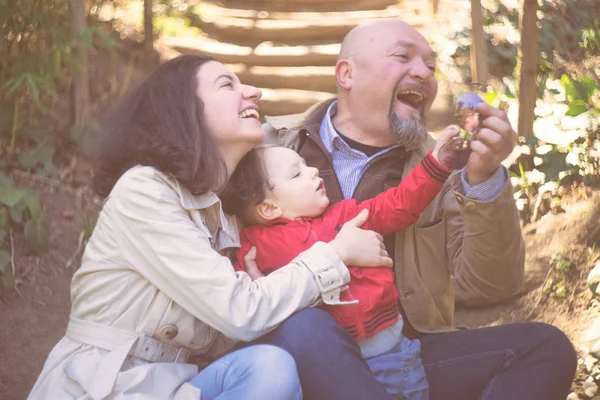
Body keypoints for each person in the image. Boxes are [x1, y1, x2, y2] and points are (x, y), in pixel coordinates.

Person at [27, 54, 396, 400]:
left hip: (179, 385)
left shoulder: (227, 214)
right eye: (227, 85)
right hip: (107, 386)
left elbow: (234, 324)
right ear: (184, 111)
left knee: (274, 361)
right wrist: (336, 252)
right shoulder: (145, 191)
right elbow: (241, 313)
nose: (253, 92)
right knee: (280, 353)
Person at [262, 19, 578, 399]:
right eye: (403, 57)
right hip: (297, 353)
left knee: (545, 348)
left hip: (400, 352)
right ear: (347, 73)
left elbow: (491, 286)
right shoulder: (267, 147)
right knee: (305, 325)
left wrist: (483, 178)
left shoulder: (441, 168)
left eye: (431, 65)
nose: (424, 73)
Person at [221, 126, 455, 400]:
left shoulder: (347, 214)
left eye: (306, 165)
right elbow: (243, 298)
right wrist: (257, 282)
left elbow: (399, 205)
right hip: (322, 367)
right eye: (297, 173)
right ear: (270, 208)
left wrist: (437, 163)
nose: (313, 171)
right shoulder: (255, 245)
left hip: (387, 354)